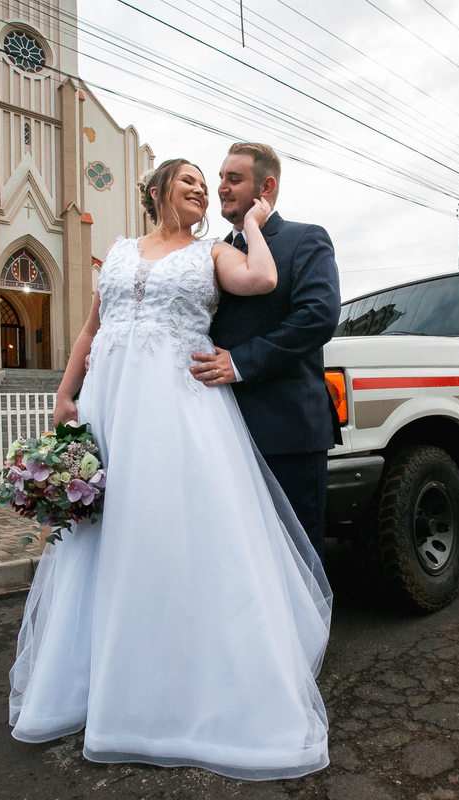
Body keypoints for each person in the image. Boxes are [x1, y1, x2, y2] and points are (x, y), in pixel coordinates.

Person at [9, 158, 332, 780]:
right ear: (157, 190)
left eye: (206, 187)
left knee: (168, 531)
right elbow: (90, 329)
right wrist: (66, 393)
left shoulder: (214, 252)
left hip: (176, 409)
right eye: (190, 182)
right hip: (110, 405)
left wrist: (256, 223)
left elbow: (263, 279)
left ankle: (180, 688)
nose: (202, 191)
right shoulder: (118, 251)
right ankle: (94, 683)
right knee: (104, 536)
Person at [189, 143, 342, 557]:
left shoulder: (304, 239)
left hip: (286, 432)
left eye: (234, 179)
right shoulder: (212, 253)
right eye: (221, 178)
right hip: (222, 430)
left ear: (266, 187)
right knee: (242, 556)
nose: (221, 187)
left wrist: (240, 362)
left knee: (295, 555)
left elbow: (318, 316)